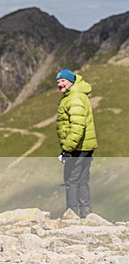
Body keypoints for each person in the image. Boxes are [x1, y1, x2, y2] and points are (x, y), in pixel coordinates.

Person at [55, 68, 97, 218]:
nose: (60, 84)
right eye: (58, 81)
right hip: (86, 146)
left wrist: (67, 149)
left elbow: (78, 126)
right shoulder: (78, 95)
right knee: (82, 180)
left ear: (71, 82)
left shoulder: (73, 98)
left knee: (71, 180)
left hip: (77, 147)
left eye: (63, 80)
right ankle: (86, 214)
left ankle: (71, 215)